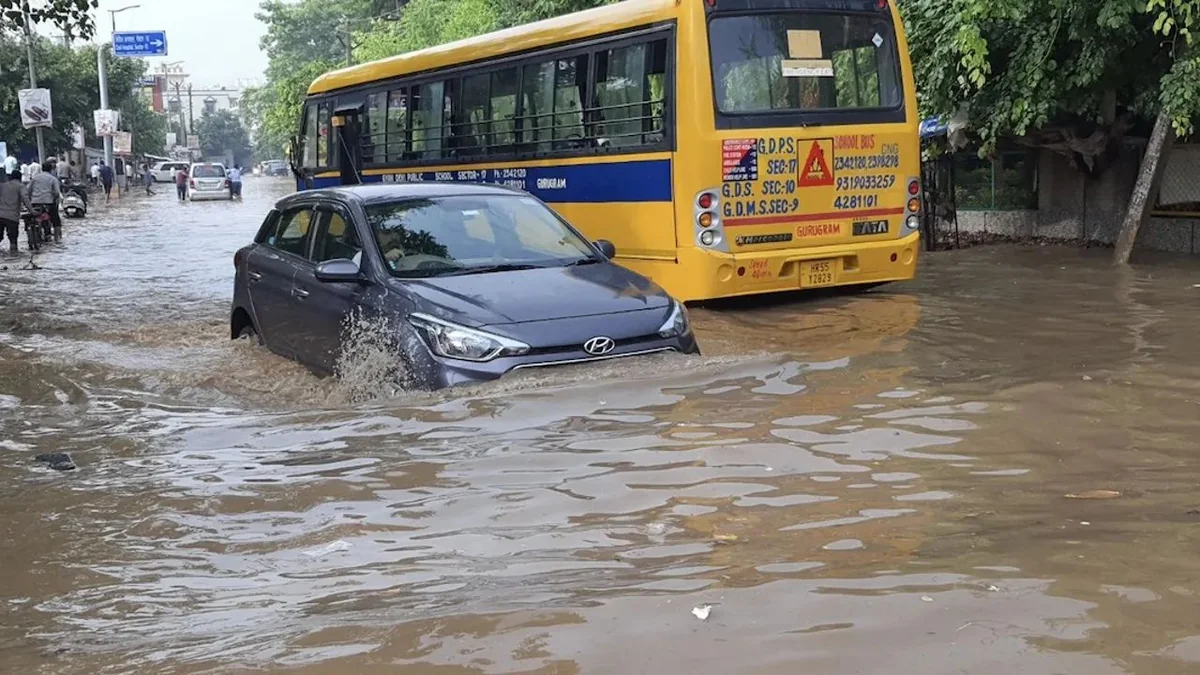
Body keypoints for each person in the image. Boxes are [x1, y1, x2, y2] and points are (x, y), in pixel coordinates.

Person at [26, 161, 62, 243]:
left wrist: (31, 199)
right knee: (56, 221)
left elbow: (28, 191)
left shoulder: (35, 178)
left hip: (35, 203)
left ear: (42, 169)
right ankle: (57, 240)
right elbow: (57, 193)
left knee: (32, 218)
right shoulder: (53, 179)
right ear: (51, 169)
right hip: (48, 203)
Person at [0, 170, 31, 253]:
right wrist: (31, 210)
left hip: (0, 216)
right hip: (12, 217)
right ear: (20, 178)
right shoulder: (20, 186)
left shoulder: (2, 186)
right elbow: (25, 199)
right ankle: (14, 256)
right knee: (13, 240)